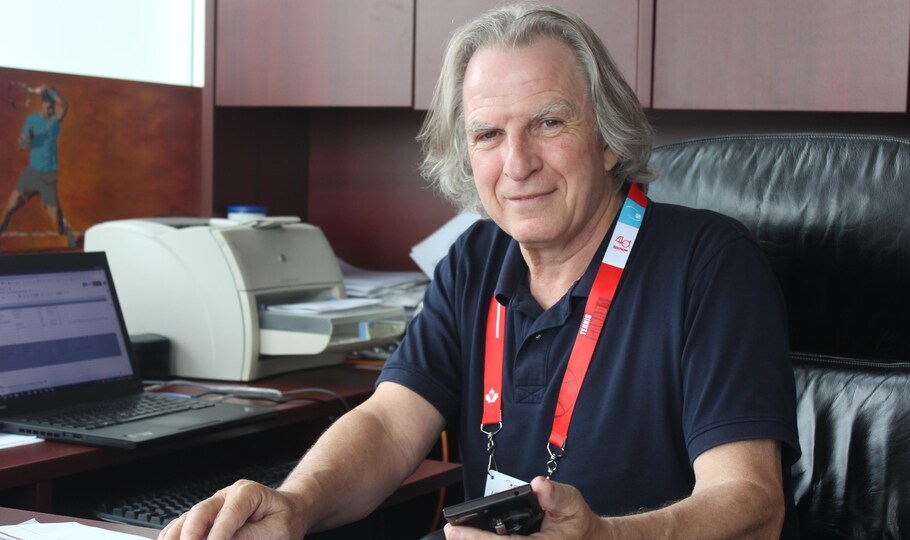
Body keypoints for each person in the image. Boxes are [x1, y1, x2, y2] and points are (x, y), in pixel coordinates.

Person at [159, 3, 800, 539]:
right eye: (488, 134)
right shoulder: (474, 258)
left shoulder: (710, 262)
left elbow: (752, 501)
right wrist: (295, 504)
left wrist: (607, 536)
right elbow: (387, 424)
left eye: (548, 122)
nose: (517, 163)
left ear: (607, 138)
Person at [0, 84, 76, 247]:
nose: (50, 109)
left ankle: (66, 229)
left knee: (57, 224)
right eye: (47, 105)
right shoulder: (31, 120)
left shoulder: (55, 120)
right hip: (31, 174)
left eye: (52, 106)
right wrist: (26, 139)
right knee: (8, 210)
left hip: (48, 178)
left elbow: (63, 106)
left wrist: (51, 91)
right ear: (42, 104)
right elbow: (21, 145)